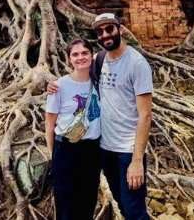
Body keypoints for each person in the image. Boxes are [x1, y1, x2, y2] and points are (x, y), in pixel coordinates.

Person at [48, 13, 153, 220]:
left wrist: (137, 160)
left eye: (110, 29)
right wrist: (53, 84)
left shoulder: (137, 64)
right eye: (100, 31)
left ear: (120, 29)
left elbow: (146, 115)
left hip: (127, 152)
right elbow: (79, 68)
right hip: (103, 149)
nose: (105, 35)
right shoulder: (100, 60)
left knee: (134, 210)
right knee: (121, 205)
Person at [45, 38, 101, 220]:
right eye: (75, 54)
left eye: (85, 53)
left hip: (92, 150)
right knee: (66, 204)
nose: (80, 57)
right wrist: (54, 154)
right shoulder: (59, 86)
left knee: (88, 201)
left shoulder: (101, 83)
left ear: (92, 56)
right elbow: (49, 123)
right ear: (69, 59)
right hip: (65, 150)